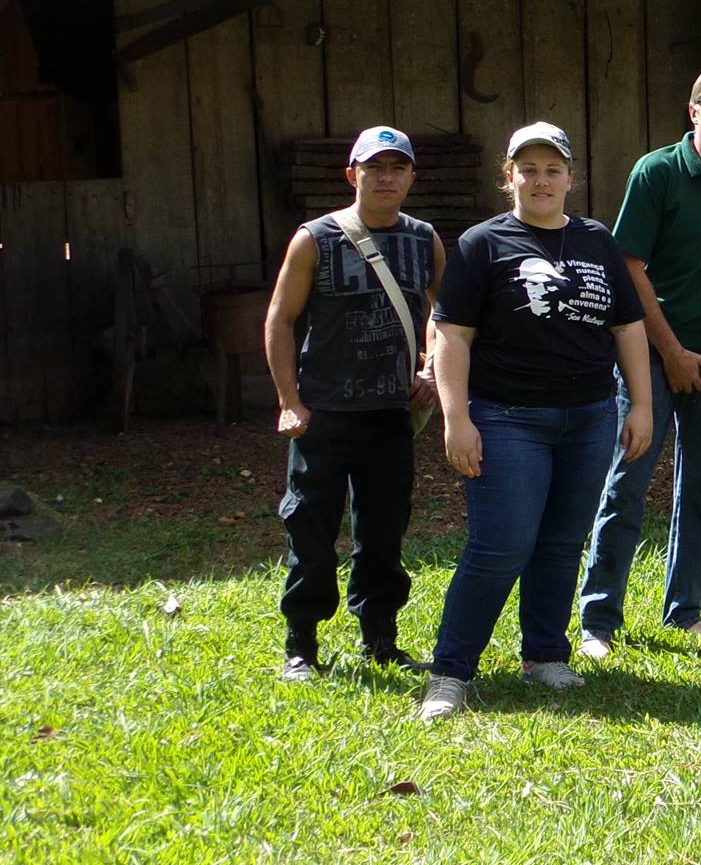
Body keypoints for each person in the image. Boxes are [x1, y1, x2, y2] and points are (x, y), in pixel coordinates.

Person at [418, 124, 652, 720]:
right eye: (529, 169)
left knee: (560, 543)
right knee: (502, 544)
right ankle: (449, 674)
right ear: (510, 176)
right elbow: (452, 335)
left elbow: (627, 327)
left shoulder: (597, 240)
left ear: (571, 178)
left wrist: (641, 406)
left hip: (590, 416)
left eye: (553, 169)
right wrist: (456, 417)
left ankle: (544, 655)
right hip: (505, 417)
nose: (541, 180)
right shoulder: (482, 243)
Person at [575, 67, 701, 651]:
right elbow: (629, 268)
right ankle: (598, 620)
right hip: (651, 359)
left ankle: (685, 610)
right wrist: (671, 351)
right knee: (627, 482)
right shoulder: (657, 171)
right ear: (694, 110)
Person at [263, 125, 444, 679]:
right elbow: (279, 320)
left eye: (397, 168)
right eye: (374, 168)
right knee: (312, 529)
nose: (386, 178)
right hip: (324, 414)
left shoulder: (424, 239)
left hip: (391, 414)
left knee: (384, 531)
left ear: (411, 177)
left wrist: (431, 370)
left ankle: (380, 639)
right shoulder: (315, 238)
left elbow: (443, 313)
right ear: (353, 175)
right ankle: (302, 645)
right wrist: (289, 401)